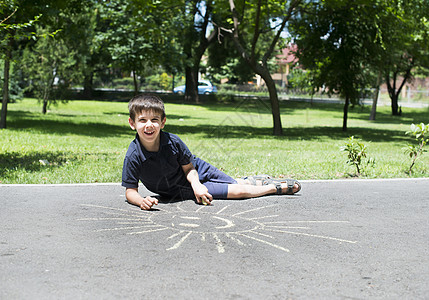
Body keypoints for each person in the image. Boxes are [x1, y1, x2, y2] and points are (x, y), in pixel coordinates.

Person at [122, 94, 301, 210]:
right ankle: (273, 188)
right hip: (179, 190)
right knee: (237, 192)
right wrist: (141, 201)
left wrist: (197, 184)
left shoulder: (172, 142)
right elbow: (130, 191)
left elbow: (189, 168)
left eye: (154, 119)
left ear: (163, 122)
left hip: (196, 171)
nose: (149, 125)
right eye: (142, 120)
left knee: (231, 182)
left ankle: (250, 181)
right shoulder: (134, 155)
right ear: (132, 123)